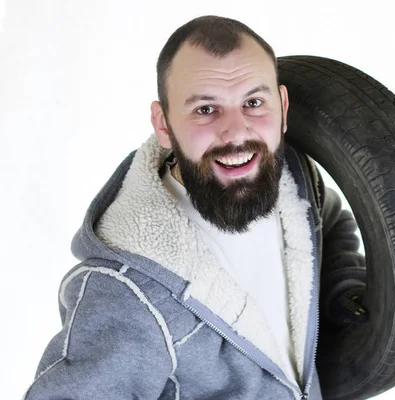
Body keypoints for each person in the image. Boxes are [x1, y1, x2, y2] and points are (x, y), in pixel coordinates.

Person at [24, 15, 367, 400]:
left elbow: (331, 222)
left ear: (283, 108)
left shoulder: (296, 183)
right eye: (206, 109)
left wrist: (345, 295)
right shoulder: (126, 293)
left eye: (254, 103)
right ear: (164, 125)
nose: (237, 132)